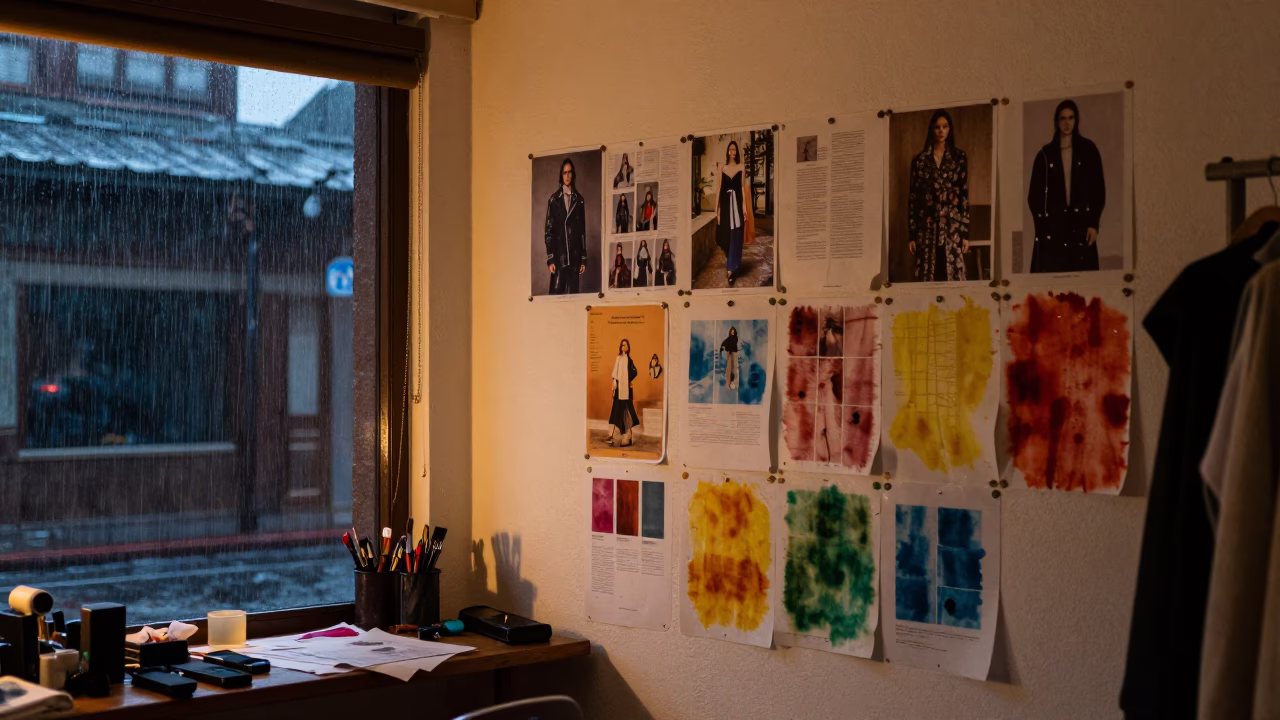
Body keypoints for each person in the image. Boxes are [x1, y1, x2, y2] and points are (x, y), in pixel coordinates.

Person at [1027, 99, 1105, 273]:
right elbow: (1034, 196)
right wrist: (1042, 227)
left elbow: (1098, 190)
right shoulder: (1045, 155)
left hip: (1081, 226)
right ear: (1057, 121)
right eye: (1063, 118)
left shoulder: (1088, 150)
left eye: (1071, 118)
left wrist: (1093, 223)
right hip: (1054, 229)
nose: (1067, 122)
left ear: (1076, 120)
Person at [908, 109, 970, 282]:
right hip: (926, 227)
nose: (941, 131)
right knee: (927, 277)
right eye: (937, 127)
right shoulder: (920, 161)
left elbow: (964, 195)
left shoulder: (959, 157)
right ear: (932, 129)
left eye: (945, 126)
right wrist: (912, 235)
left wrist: (965, 234)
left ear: (949, 129)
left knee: (951, 275)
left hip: (952, 227)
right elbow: (913, 198)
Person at [544, 157, 587, 294]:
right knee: (556, 297)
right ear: (561, 175)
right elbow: (549, 231)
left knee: (573, 297)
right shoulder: (554, 200)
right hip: (559, 257)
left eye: (569, 172)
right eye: (564, 172)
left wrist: (583, 259)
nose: (567, 176)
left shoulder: (579, 201)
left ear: (573, 174)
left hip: (575, 257)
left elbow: (582, 232)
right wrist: (551, 259)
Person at [715, 140, 755, 286]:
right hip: (725, 204)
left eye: (734, 150)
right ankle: (731, 261)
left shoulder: (741, 167)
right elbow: (719, 188)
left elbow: (743, 189)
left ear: (737, 152)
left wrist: (745, 208)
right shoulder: (722, 168)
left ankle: (732, 268)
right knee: (724, 235)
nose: (732, 152)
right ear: (727, 151)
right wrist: (716, 207)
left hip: (737, 203)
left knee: (737, 232)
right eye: (730, 149)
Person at [607, 339, 639, 446]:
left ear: (628, 347)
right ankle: (617, 435)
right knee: (618, 410)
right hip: (619, 389)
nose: (623, 347)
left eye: (625, 345)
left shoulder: (629, 360)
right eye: (622, 345)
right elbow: (615, 375)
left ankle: (628, 434)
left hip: (626, 390)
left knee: (627, 410)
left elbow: (635, 372)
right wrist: (614, 388)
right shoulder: (619, 359)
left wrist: (628, 381)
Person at [719, 326, 740, 390]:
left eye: (733, 331)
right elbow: (724, 343)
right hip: (729, 354)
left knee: (735, 368)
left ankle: (734, 384)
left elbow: (734, 345)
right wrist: (722, 348)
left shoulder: (736, 338)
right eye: (732, 331)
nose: (733, 332)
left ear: (735, 332)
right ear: (730, 332)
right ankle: (728, 384)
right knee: (729, 368)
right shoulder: (729, 338)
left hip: (735, 353)